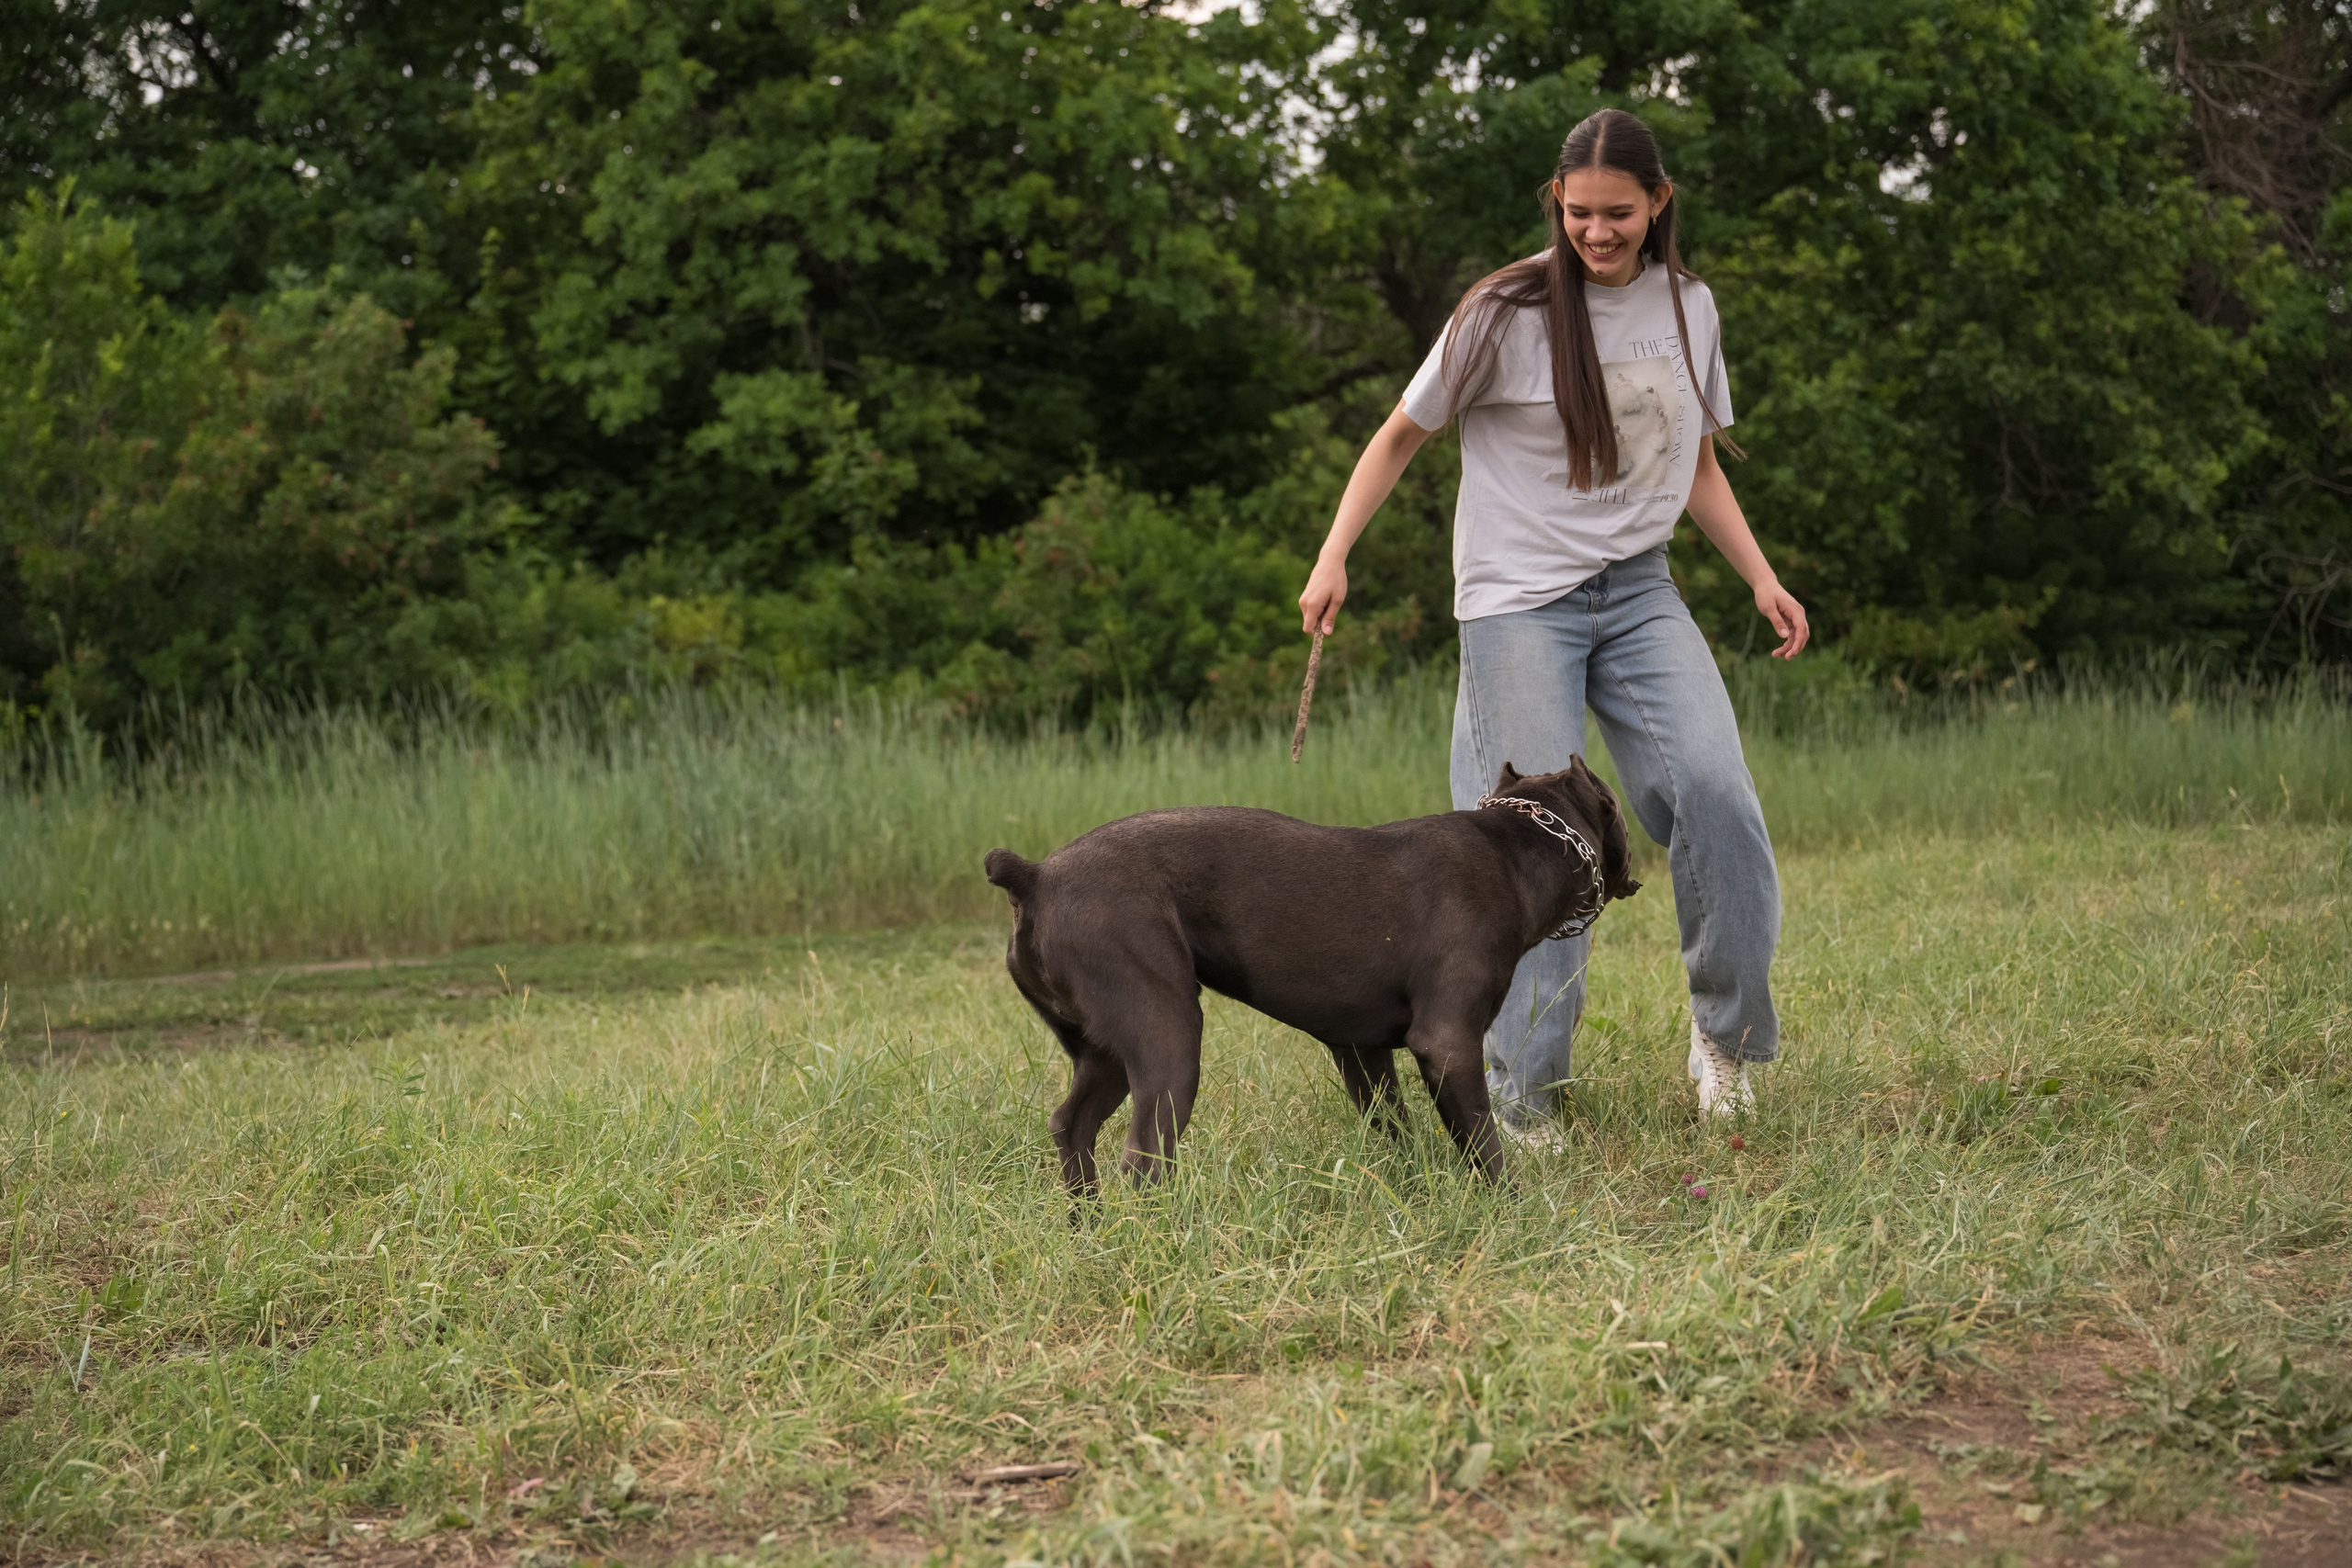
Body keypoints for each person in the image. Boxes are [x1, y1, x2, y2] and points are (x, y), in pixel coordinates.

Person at [1295, 107, 1807, 1141]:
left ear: (1658, 203)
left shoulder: (1688, 306)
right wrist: (1333, 552)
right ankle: (1521, 1099)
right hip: (1517, 600)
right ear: (1556, 204)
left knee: (1716, 793)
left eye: (1619, 213)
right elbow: (1398, 436)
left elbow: (1694, 462)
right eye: (1579, 213)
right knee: (1531, 844)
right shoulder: (1503, 310)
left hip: (1639, 589)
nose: (1597, 232)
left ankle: (1727, 1041)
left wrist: (1759, 576)